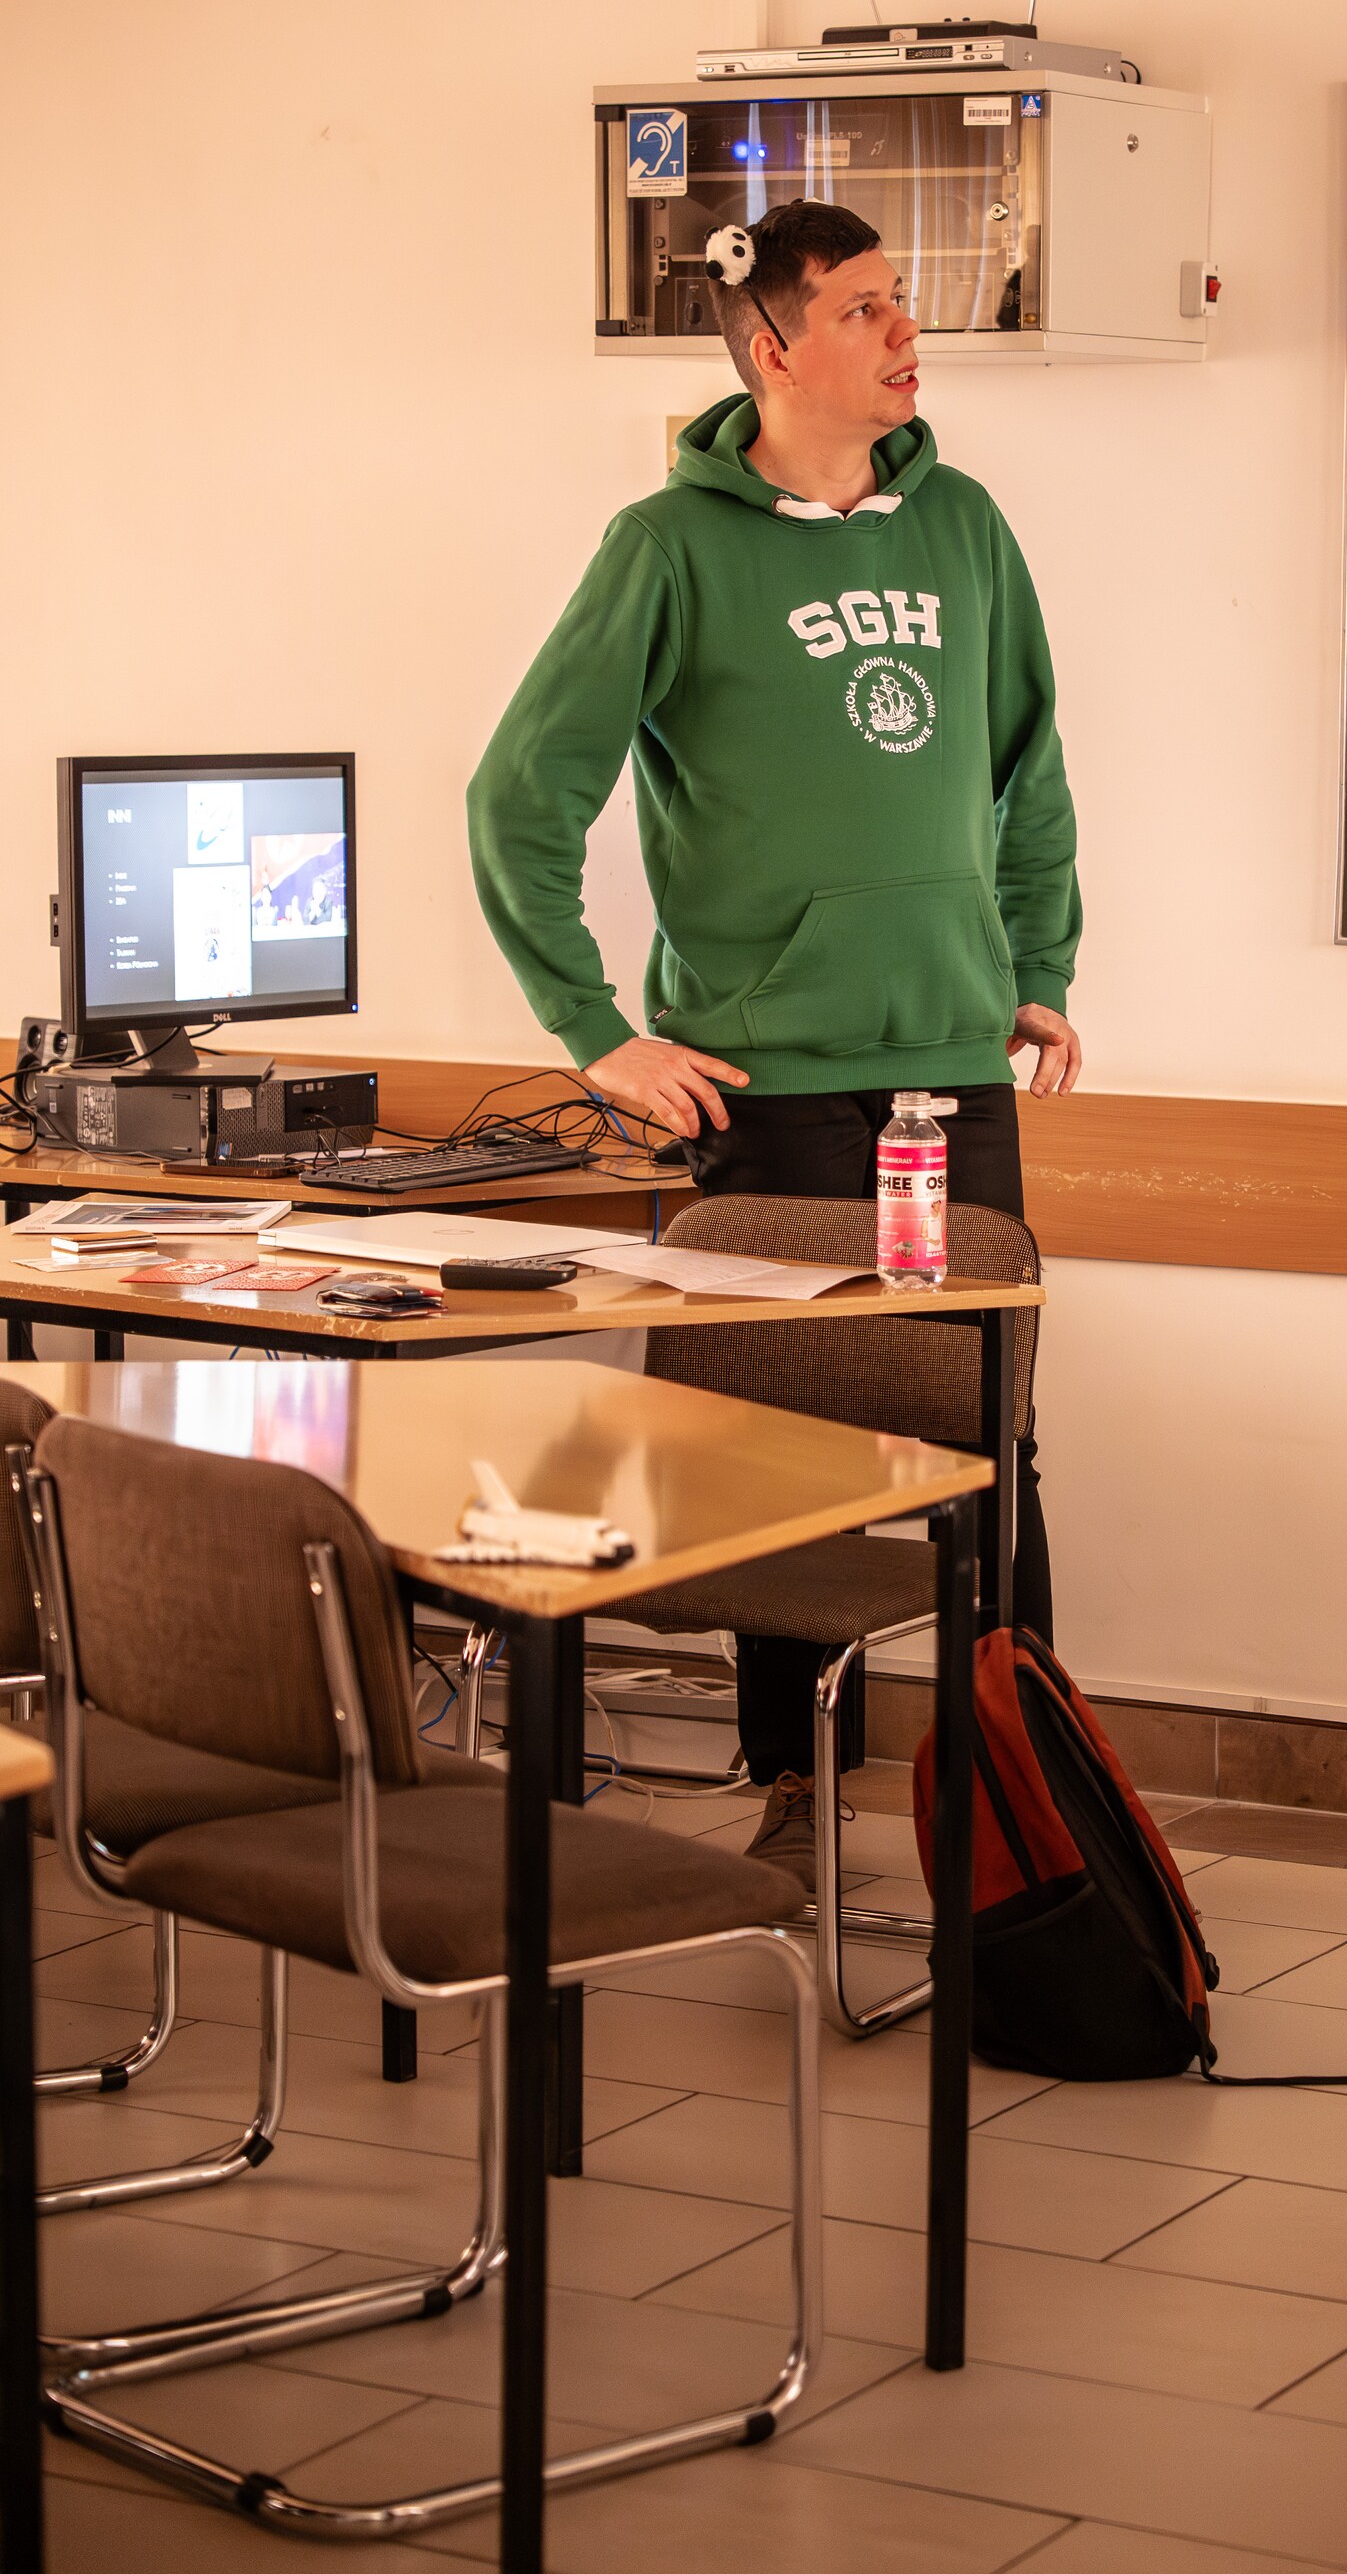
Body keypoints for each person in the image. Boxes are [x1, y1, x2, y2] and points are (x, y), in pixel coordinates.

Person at [467, 196, 1081, 1888]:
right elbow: (521, 795)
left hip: (953, 1070)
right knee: (774, 1455)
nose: (906, 334)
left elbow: (1029, 767)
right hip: (773, 1086)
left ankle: (1028, 1796)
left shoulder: (964, 525)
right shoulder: (667, 547)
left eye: (902, 304)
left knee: (993, 1445)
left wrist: (1032, 966)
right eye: (868, 308)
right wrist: (594, 1031)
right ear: (773, 346)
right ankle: (793, 1786)